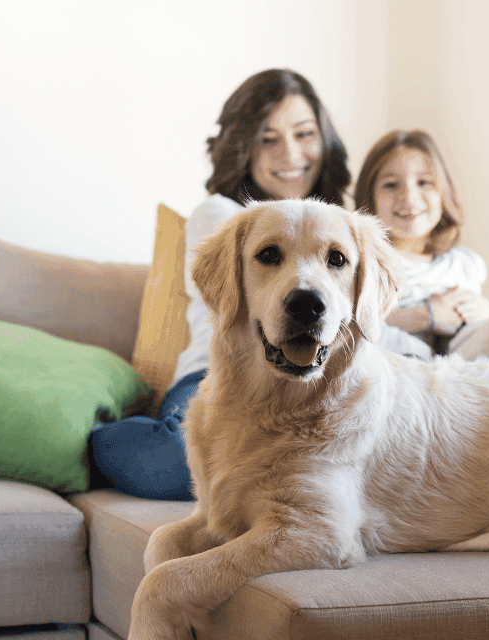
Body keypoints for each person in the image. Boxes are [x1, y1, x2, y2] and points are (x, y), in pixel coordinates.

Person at [89, 69, 351, 500]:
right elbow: (237, 303)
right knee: (176, 465)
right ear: (242, 147)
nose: (290, 153)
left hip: (311, 382)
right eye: (268, 138)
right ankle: (89, 437)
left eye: (304, 133)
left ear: (325, 139)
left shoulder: (343, 228)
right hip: (217, 375)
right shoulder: (220, 214)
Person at [353, 129, 489, 356]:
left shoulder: (462, 264)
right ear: (369, 197)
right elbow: (350, 328)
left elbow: (479, 330)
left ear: (444, 192)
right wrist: (427, 315)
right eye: (391, 184)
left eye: (424, 182)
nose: (408, 196)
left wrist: (485, 311)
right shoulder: (366, 263)